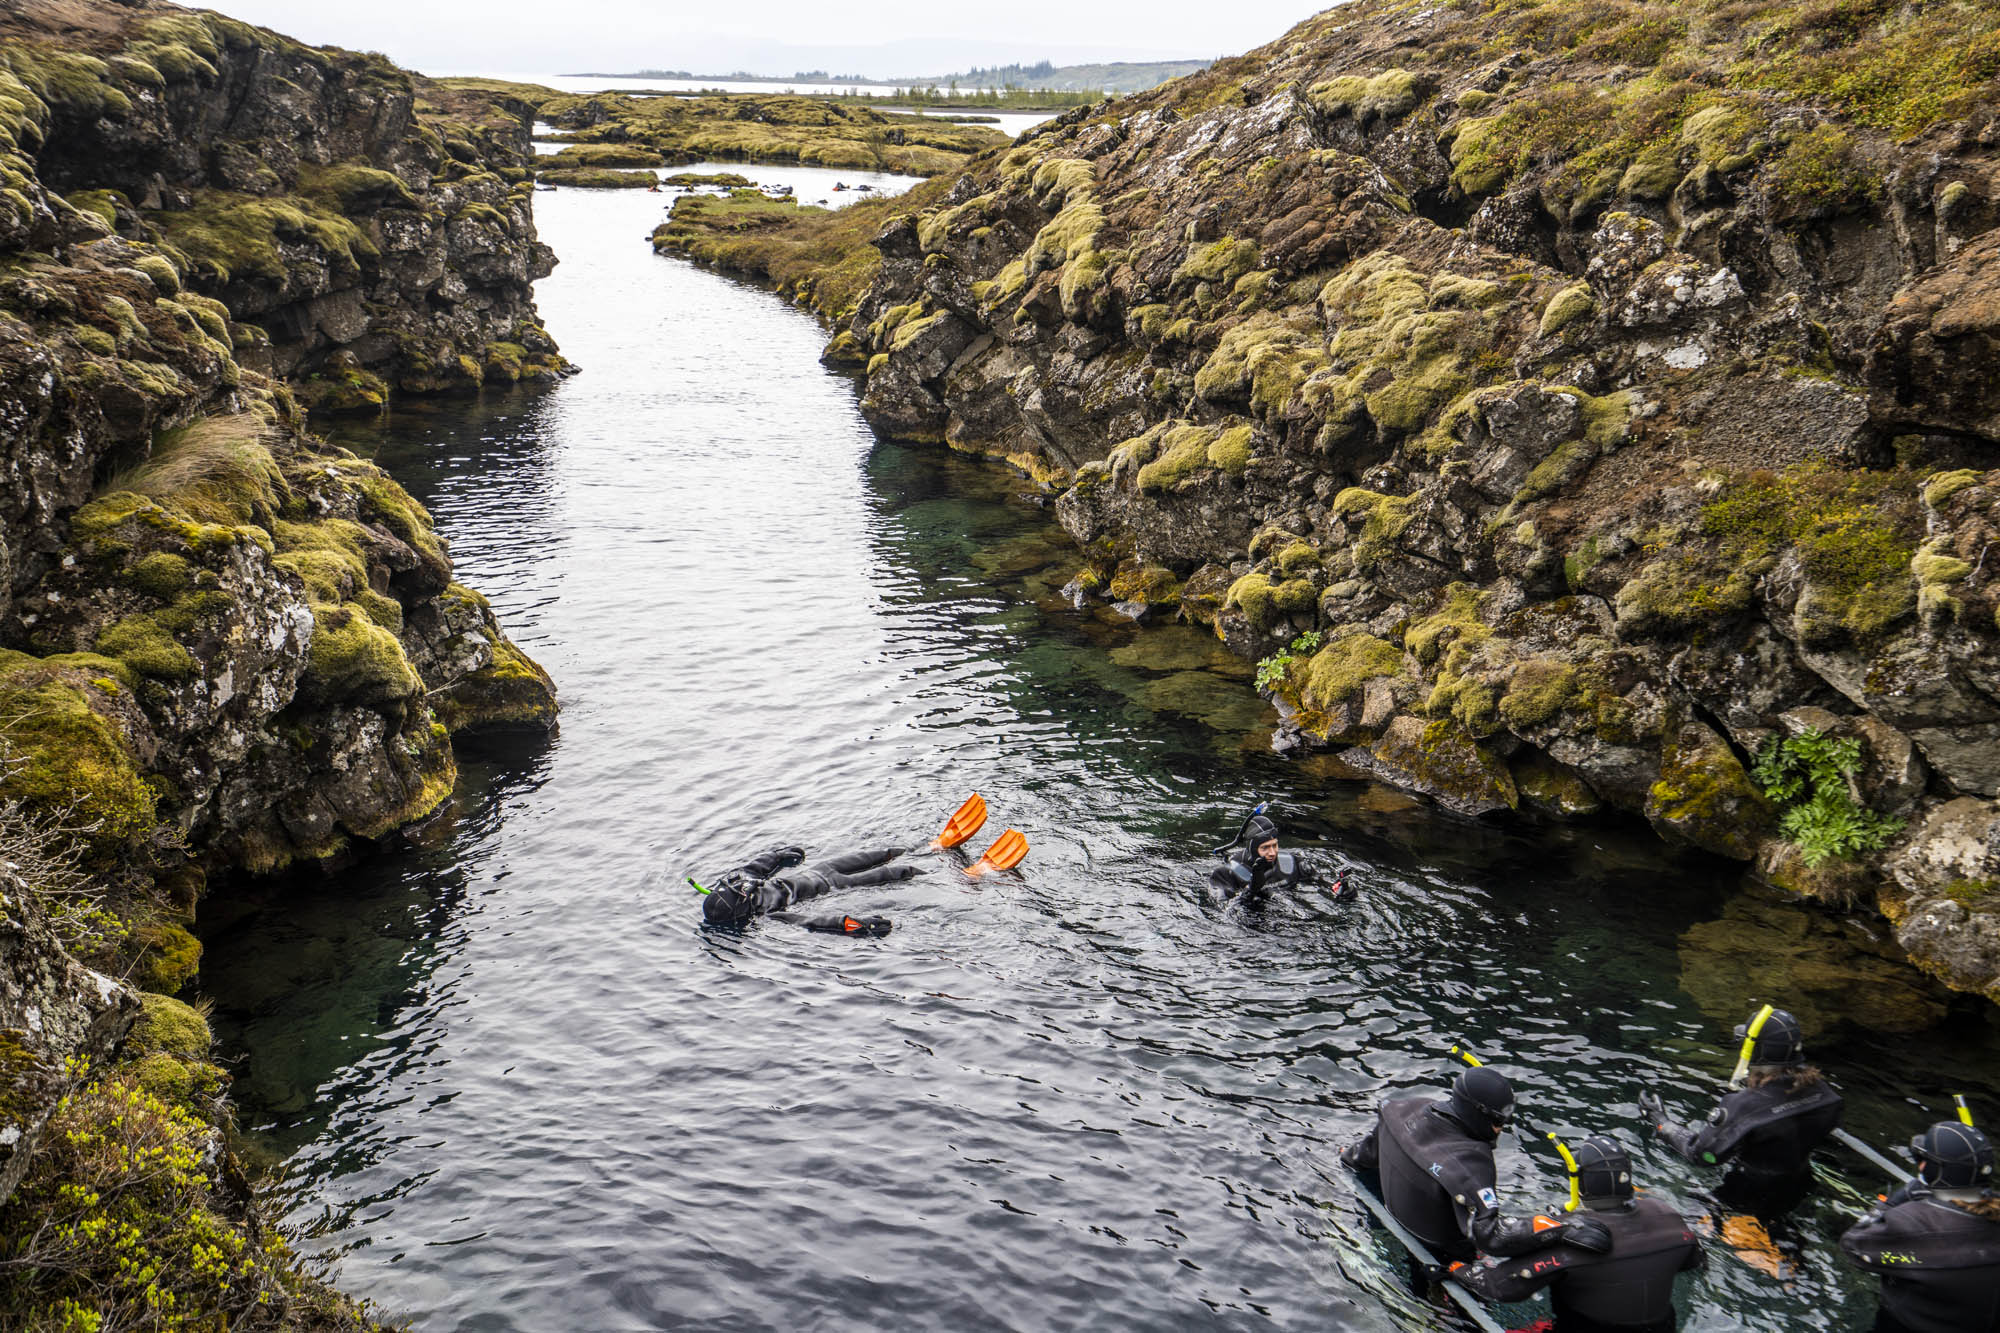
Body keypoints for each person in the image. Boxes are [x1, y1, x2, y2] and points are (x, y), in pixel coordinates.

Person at [1342, 1066, 1609, 1264]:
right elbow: (1492, 1237)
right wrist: (1561, 1228)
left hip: (1392, 1216)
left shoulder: (1400, 1109)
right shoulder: (1471, 1163)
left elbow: (1358, 1157)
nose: (1501, 1129)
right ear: (1476, 1113)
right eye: (1498, 1121)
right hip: (1439, 1253)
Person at [1448, 1136, 1705, 1333]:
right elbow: (1695, 1261)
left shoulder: (1571, 1235)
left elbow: (1501, 1288)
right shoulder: (1667, 1215)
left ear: (1580, 1182)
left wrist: (1456, 1269)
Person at [1638, 1006, 1843, 1215]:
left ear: (1757, 1051)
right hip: (1799, 1187)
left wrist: (1661, 1122)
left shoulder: (1742, 1106)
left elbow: (1703, 1155)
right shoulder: (1825, 1094)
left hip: (1745, 1198)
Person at [1840, 1121, 2000, 1333]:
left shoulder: (1911, 1222)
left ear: (1937, 1170)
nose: (1921, 1165)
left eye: (1924, 1160)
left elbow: (1853, 1246)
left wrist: (1892, 1202)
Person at [700, 844, 918, 925]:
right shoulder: (769, 913)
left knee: (883, 853)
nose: (742, 887)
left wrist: (777, 855)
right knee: (896, 873)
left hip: (822, 868)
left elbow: (752, 869)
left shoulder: (739, 882)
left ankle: (926, 847)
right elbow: (808, 920)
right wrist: (849, 923)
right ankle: (931, 868)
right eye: (740, 893)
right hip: (834, 885)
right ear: (740, 908)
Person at [1208, 813, 1346, 905]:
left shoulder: (1293, 863)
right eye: (1265, 848)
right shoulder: (1225, 875)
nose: (1272, 852)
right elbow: (1224, 912)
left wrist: (1341, 889)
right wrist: (1251, 891)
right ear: (1252, 849)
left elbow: (1324, 885)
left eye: (1274, 845)